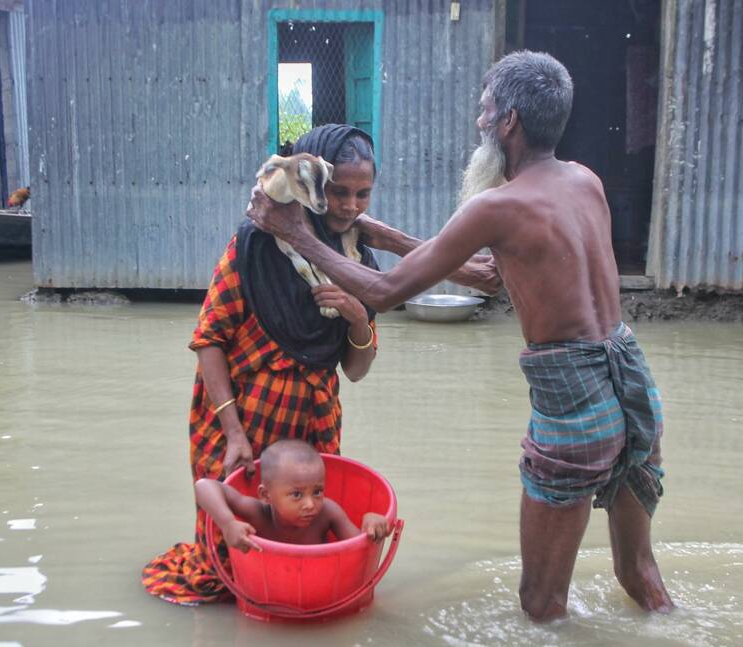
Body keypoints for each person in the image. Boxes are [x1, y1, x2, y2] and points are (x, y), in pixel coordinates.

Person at [247, 51, 674, 622]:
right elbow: (494, 276)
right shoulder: (585, 182)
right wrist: (378, 231)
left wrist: (296, 232)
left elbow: (385, 292)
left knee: (540, 605)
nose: (479, 122)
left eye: (485, 109)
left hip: (575, 404)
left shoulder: (499, 205)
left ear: (510, 122)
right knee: (637, 573)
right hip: (633, 385)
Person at [141, 124, 383, 606]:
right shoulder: (253, 246)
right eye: (338, 192)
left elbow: (355, 370)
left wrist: (358, 317)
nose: (351, 206)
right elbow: (209, 339)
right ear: (310, 185)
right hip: (239, 416)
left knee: (303, 532)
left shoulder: (359, 263)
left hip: (313, 423)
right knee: (227, 557)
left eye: (363, 194)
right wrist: (232, 431)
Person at [195, 439, 391, 551]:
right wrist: (228, 523)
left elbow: (358, 549)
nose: (310, 504)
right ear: (266, 495)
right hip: (270, 589)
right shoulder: (259, 513)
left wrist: (371, 521)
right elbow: (203, 486)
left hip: (320, 590)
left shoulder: (328, 512)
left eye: (317, 492)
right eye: (297, 494)